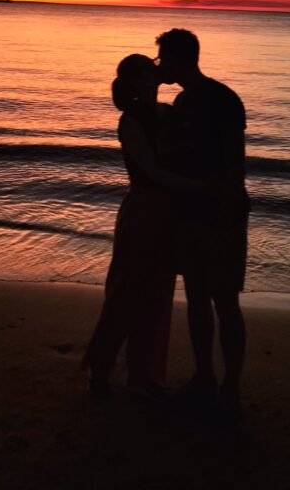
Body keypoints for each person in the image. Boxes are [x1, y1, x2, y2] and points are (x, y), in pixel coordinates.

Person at [82, 53, 210, 397]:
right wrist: (198, 188)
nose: (158, 66)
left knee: (157, 292)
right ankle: (100, 368)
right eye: (150, 64)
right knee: (127, 288)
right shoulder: (131, 120)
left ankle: (146, 374)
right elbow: (150, 171)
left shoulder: (168, 113)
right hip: (143, 209)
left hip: (169, 210)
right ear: (138, 79)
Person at [155, 28, 250, 415]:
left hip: (219, 215)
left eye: (164, 59)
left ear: (179, 59)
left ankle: (230, 384)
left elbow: (235, 167)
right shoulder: (180, 102)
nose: (160, 65)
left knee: (224, 300)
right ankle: (205, 376)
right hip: (188, 214)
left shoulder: (223, 100)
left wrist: (226, 222)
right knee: (196, 298)